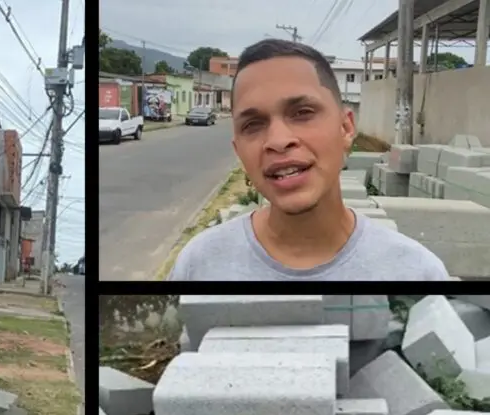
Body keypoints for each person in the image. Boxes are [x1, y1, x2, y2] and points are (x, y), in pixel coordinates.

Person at [167, 39, 450, 281]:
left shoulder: (416, 272)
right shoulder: (198, 266)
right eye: (253, 124)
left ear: (346, 128)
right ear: (238, 151)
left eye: (302, 113)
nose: (278, 140)